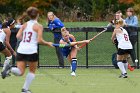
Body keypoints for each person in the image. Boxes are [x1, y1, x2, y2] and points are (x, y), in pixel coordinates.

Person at [1, 7, 54, 93]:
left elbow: (18, 36)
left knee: (20, 71)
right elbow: (40, 40)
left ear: (29, 16)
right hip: (31, 51)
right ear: (37, 15)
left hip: (21, 49)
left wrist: (25, 41)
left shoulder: (25, 25)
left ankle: (9, 68)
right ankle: (25, 89)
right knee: (32, 71)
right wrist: (48, 43)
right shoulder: (39, 26)